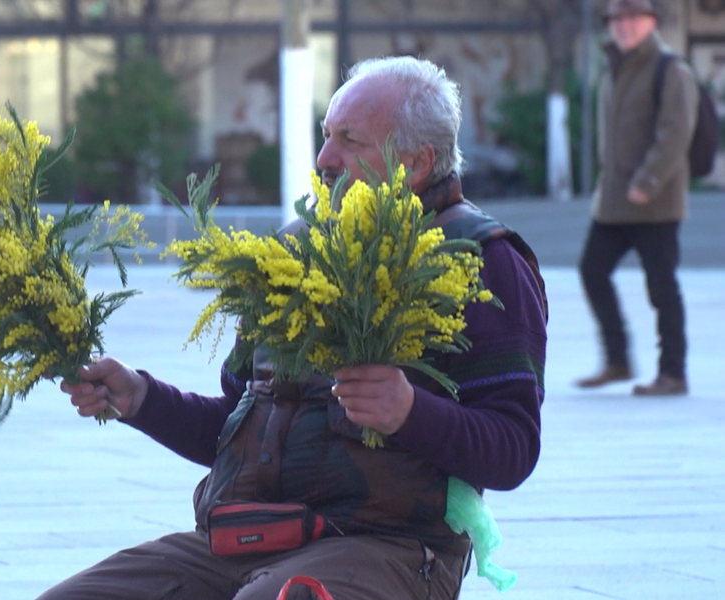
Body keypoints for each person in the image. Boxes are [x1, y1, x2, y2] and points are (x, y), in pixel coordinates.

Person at [39, 56, 548, 600]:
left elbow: (513, 449)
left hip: (388, 550)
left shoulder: (478, 258)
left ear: (417, 163)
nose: (325, 158)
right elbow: (234, 426)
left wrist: (408, 412)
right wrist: (140, 398)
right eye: (326, 136)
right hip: (241, 541)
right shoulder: (291, 252)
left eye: (351, 141)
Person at [575, 0, 697, 396]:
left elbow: (675, 134)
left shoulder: (669, 69)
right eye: (616, 19)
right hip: (613, 202)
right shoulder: (615, 67)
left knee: (662, 288)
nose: (624, 26)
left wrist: (649, 180)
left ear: (652, 21)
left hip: (655, 202)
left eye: (633, 17)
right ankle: (618, 359)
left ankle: (673, 373)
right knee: (592, 270)